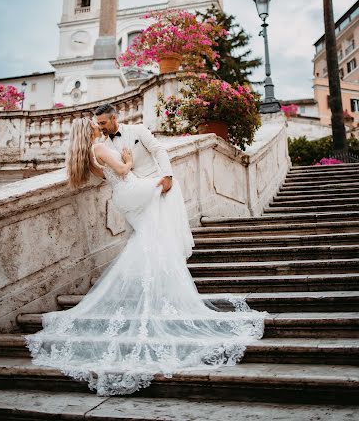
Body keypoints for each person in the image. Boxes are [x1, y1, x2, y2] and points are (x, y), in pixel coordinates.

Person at [25, 113, 266, 396]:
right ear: (89, 130)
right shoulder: (100, 147)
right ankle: (160, 285)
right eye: (94, 125)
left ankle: (155, 283)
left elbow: (107, 176)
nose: (97, 127)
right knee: (166, 194)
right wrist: (127, 158)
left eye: (99, 123)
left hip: (123, 195)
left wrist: (128, 170)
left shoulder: (90, 154)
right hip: (130, 188)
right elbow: (124, 171)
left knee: (151, 236)